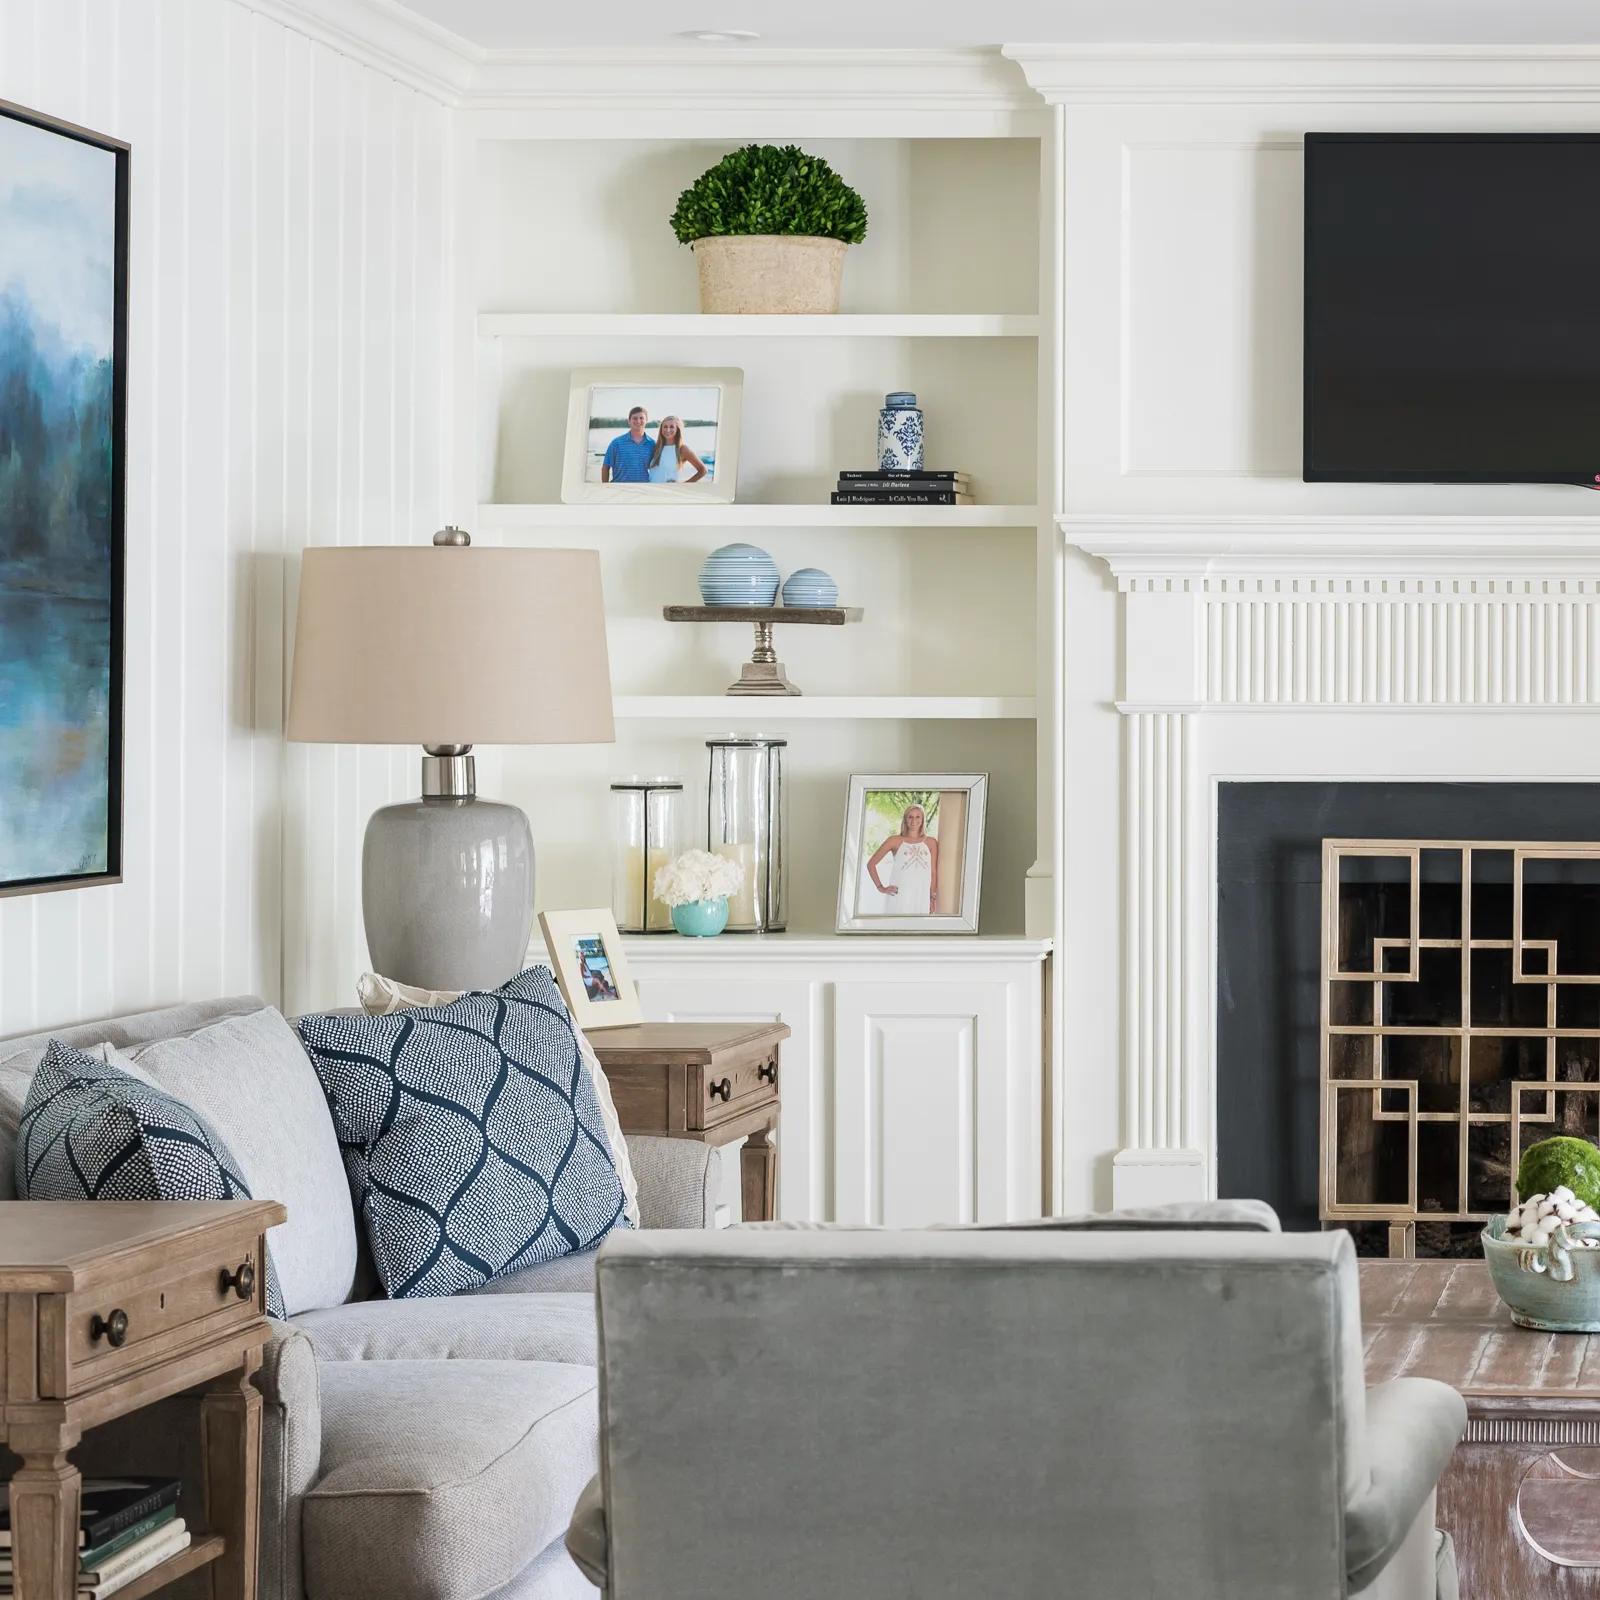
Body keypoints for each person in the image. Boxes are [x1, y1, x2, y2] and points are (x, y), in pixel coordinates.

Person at [866, 803, 938, 914]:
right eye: (910, 817)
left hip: (921, 897)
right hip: (899, 896)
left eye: (918, 816)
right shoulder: (894, 840)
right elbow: (871, 864)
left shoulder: (931, 842)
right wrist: (881, 888)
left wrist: (932, 899)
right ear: (905, 819)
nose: (914, 820)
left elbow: (933, 872)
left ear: (922, 819)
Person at [646, 415, 707, 484]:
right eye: (665, 427)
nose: (668, 430)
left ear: (677, 429)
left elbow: (703, 470)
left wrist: (684, 485)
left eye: (671, 427)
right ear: (661, 429)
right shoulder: (656, 447)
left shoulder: (682, 449)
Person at [601, 406, 655, 483]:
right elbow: (605, 467)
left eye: (641, 418)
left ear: (646, 420)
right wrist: (605, 488)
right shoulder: (616, 443)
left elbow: (657, 469)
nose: (638, 421)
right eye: (635, 418)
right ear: (629, 421)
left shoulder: (652, 444)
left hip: (643, 489)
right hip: (618, 489)